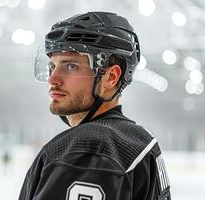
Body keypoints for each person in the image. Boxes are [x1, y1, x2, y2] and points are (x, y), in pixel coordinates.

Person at [19, 12, 171, 200]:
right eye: (52, 67)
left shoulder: (89, 148)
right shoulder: (139, 140)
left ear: (110, 77)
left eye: (71, 66)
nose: (53, 79)